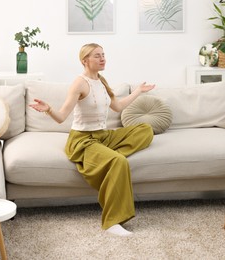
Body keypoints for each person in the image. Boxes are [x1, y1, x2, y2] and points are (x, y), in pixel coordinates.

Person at [29, 43, 155, 236]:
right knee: (118, 161)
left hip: (103, 136)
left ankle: (104, 158)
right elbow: (62, 116)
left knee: (145, 130)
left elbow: (118, 106)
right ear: (84, 61)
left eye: (103, 55)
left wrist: (138, 91)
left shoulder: (102, 81)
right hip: (83, 140)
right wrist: (49, 109)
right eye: (97, 56)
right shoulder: (79, 83)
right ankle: (112, 222)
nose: (103, 58)